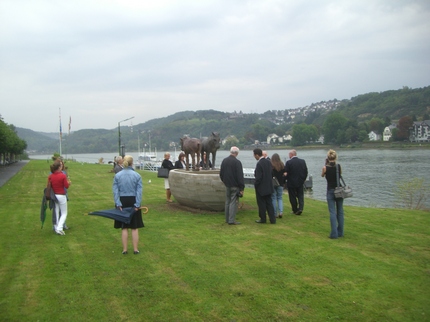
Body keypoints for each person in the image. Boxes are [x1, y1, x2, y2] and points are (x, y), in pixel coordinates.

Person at [113, 155, 144, 254]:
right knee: (134, 227)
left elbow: (115, 191)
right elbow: (139, 192)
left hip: (122, 200)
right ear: (132, 163)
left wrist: (118, 203)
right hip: (133, 200)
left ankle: (125, 250)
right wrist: (137, 205)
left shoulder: (117, 175)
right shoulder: (137, 175)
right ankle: (135, 249)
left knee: (124, 226)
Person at [321, 149, 344, 239]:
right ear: (335, 157)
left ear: (328, 157)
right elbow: (340, 175)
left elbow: (322, 175)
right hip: (339, 189)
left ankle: (334, 233)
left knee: (332, 212)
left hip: (330, 190)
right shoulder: (338, 166)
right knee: (340, 211)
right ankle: (340, 232)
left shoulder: (325, 167)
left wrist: (325, 166)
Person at [219, 146, 244, 225]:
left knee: (227, 201)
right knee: (233, 202)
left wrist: (224, 181)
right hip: (235, 185)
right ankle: (231, 220)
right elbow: (240, 176)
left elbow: (221, 174)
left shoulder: (224, 161)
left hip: (227, 185)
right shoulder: (237, 162)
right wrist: (242, 188)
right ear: (236, 153)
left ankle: (227, 219)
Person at [253, 148, 276, 224]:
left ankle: (263, 218)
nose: (254, 157)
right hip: (269, 186)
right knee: (269, 203)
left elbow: (258, 177)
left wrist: (256, 184)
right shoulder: (268, 162)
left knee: (261, 203)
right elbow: (272, 174)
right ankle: (272, 219)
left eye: (254, 155)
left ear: (257, 155)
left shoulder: (259, 164)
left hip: (261, 187)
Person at [48, 160, 71, 235]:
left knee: (56, 212)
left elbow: (49, 186)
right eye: (61, 166)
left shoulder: (51, 176)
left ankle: (56, 227)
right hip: (61, 195)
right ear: (59, 167)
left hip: (54, 195)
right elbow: (66, 186)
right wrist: (69, 183)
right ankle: (60, 228)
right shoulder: (62, 175)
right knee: (64, 213)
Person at [284, 149, 308, 215]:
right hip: (300, 181)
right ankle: (300, 208)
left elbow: (286, 172)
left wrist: (285, 179)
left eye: (289, 154)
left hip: (291, 182)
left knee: (292, 196)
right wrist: (303, 179)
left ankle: (295, 209)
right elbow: (305, 171)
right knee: (300, 195)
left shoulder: (289, 162)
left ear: (291, 154)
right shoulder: (302, 161)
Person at [271, 153, 286, 218]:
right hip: (281, 183)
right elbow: (284, 174)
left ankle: (274, 213)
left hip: (273, 183)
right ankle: (281, 212)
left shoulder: (271, 165)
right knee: (280, 198)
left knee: (273, 198)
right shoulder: (282, 165)